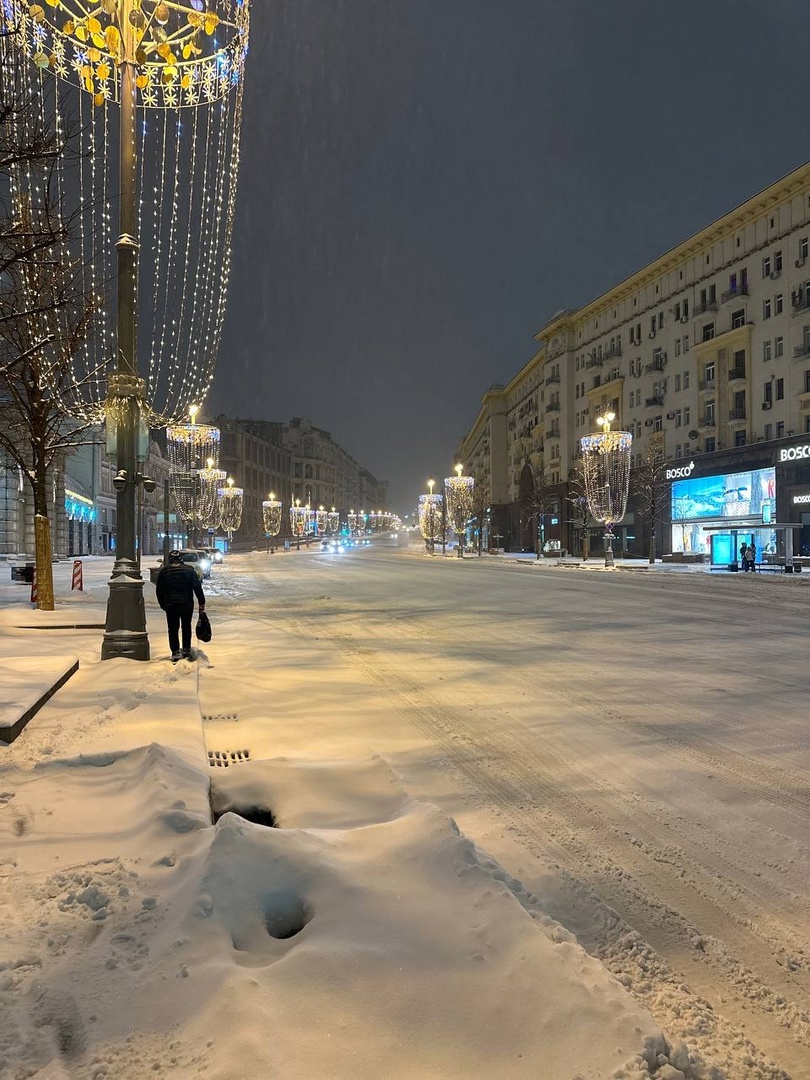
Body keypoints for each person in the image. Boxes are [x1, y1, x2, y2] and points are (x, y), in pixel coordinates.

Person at [155, 550, 206, 662]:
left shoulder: (164, 572)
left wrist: (163, 604)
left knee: (173, 629)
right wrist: (201, 602)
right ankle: (186, 649)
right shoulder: (189, 570)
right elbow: (197, 587)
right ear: (180, 559)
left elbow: (159, 590)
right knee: (186, 626)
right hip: (186, 603)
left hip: (171, 604)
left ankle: (175, 651)